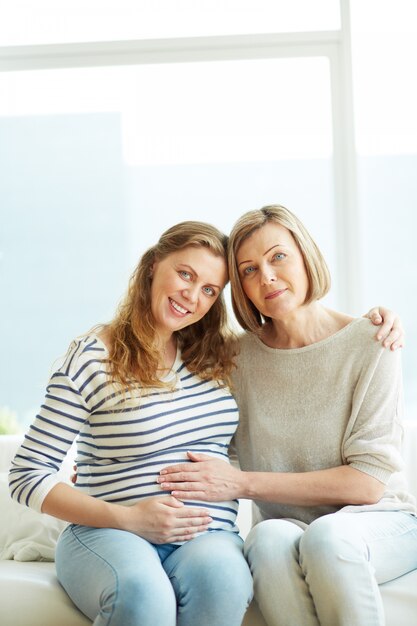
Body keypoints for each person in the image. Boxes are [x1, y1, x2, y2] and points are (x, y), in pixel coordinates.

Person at [157, 205, 416, 626]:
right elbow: (196, 435)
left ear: (305, 255)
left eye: (278, 257)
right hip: (287, 527)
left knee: (327, 535)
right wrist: (112, 468)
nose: (267, 277)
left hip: (380, 522)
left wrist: (241, 483)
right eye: (249, 270)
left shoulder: (372, 340)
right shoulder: (235, 359)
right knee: (266, 537)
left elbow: (369, 484)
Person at [8, 221, 254, 626]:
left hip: (208, 536)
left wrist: (374, 324)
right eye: (185, 274)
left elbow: (296, 343)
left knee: (224, 581)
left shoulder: (220, 357)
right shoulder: (92, 357)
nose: (192, 297)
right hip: (110, 534)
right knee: (143, 593)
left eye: (209, 289)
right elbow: (27, 474)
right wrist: (130, 518)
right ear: (155, 264)